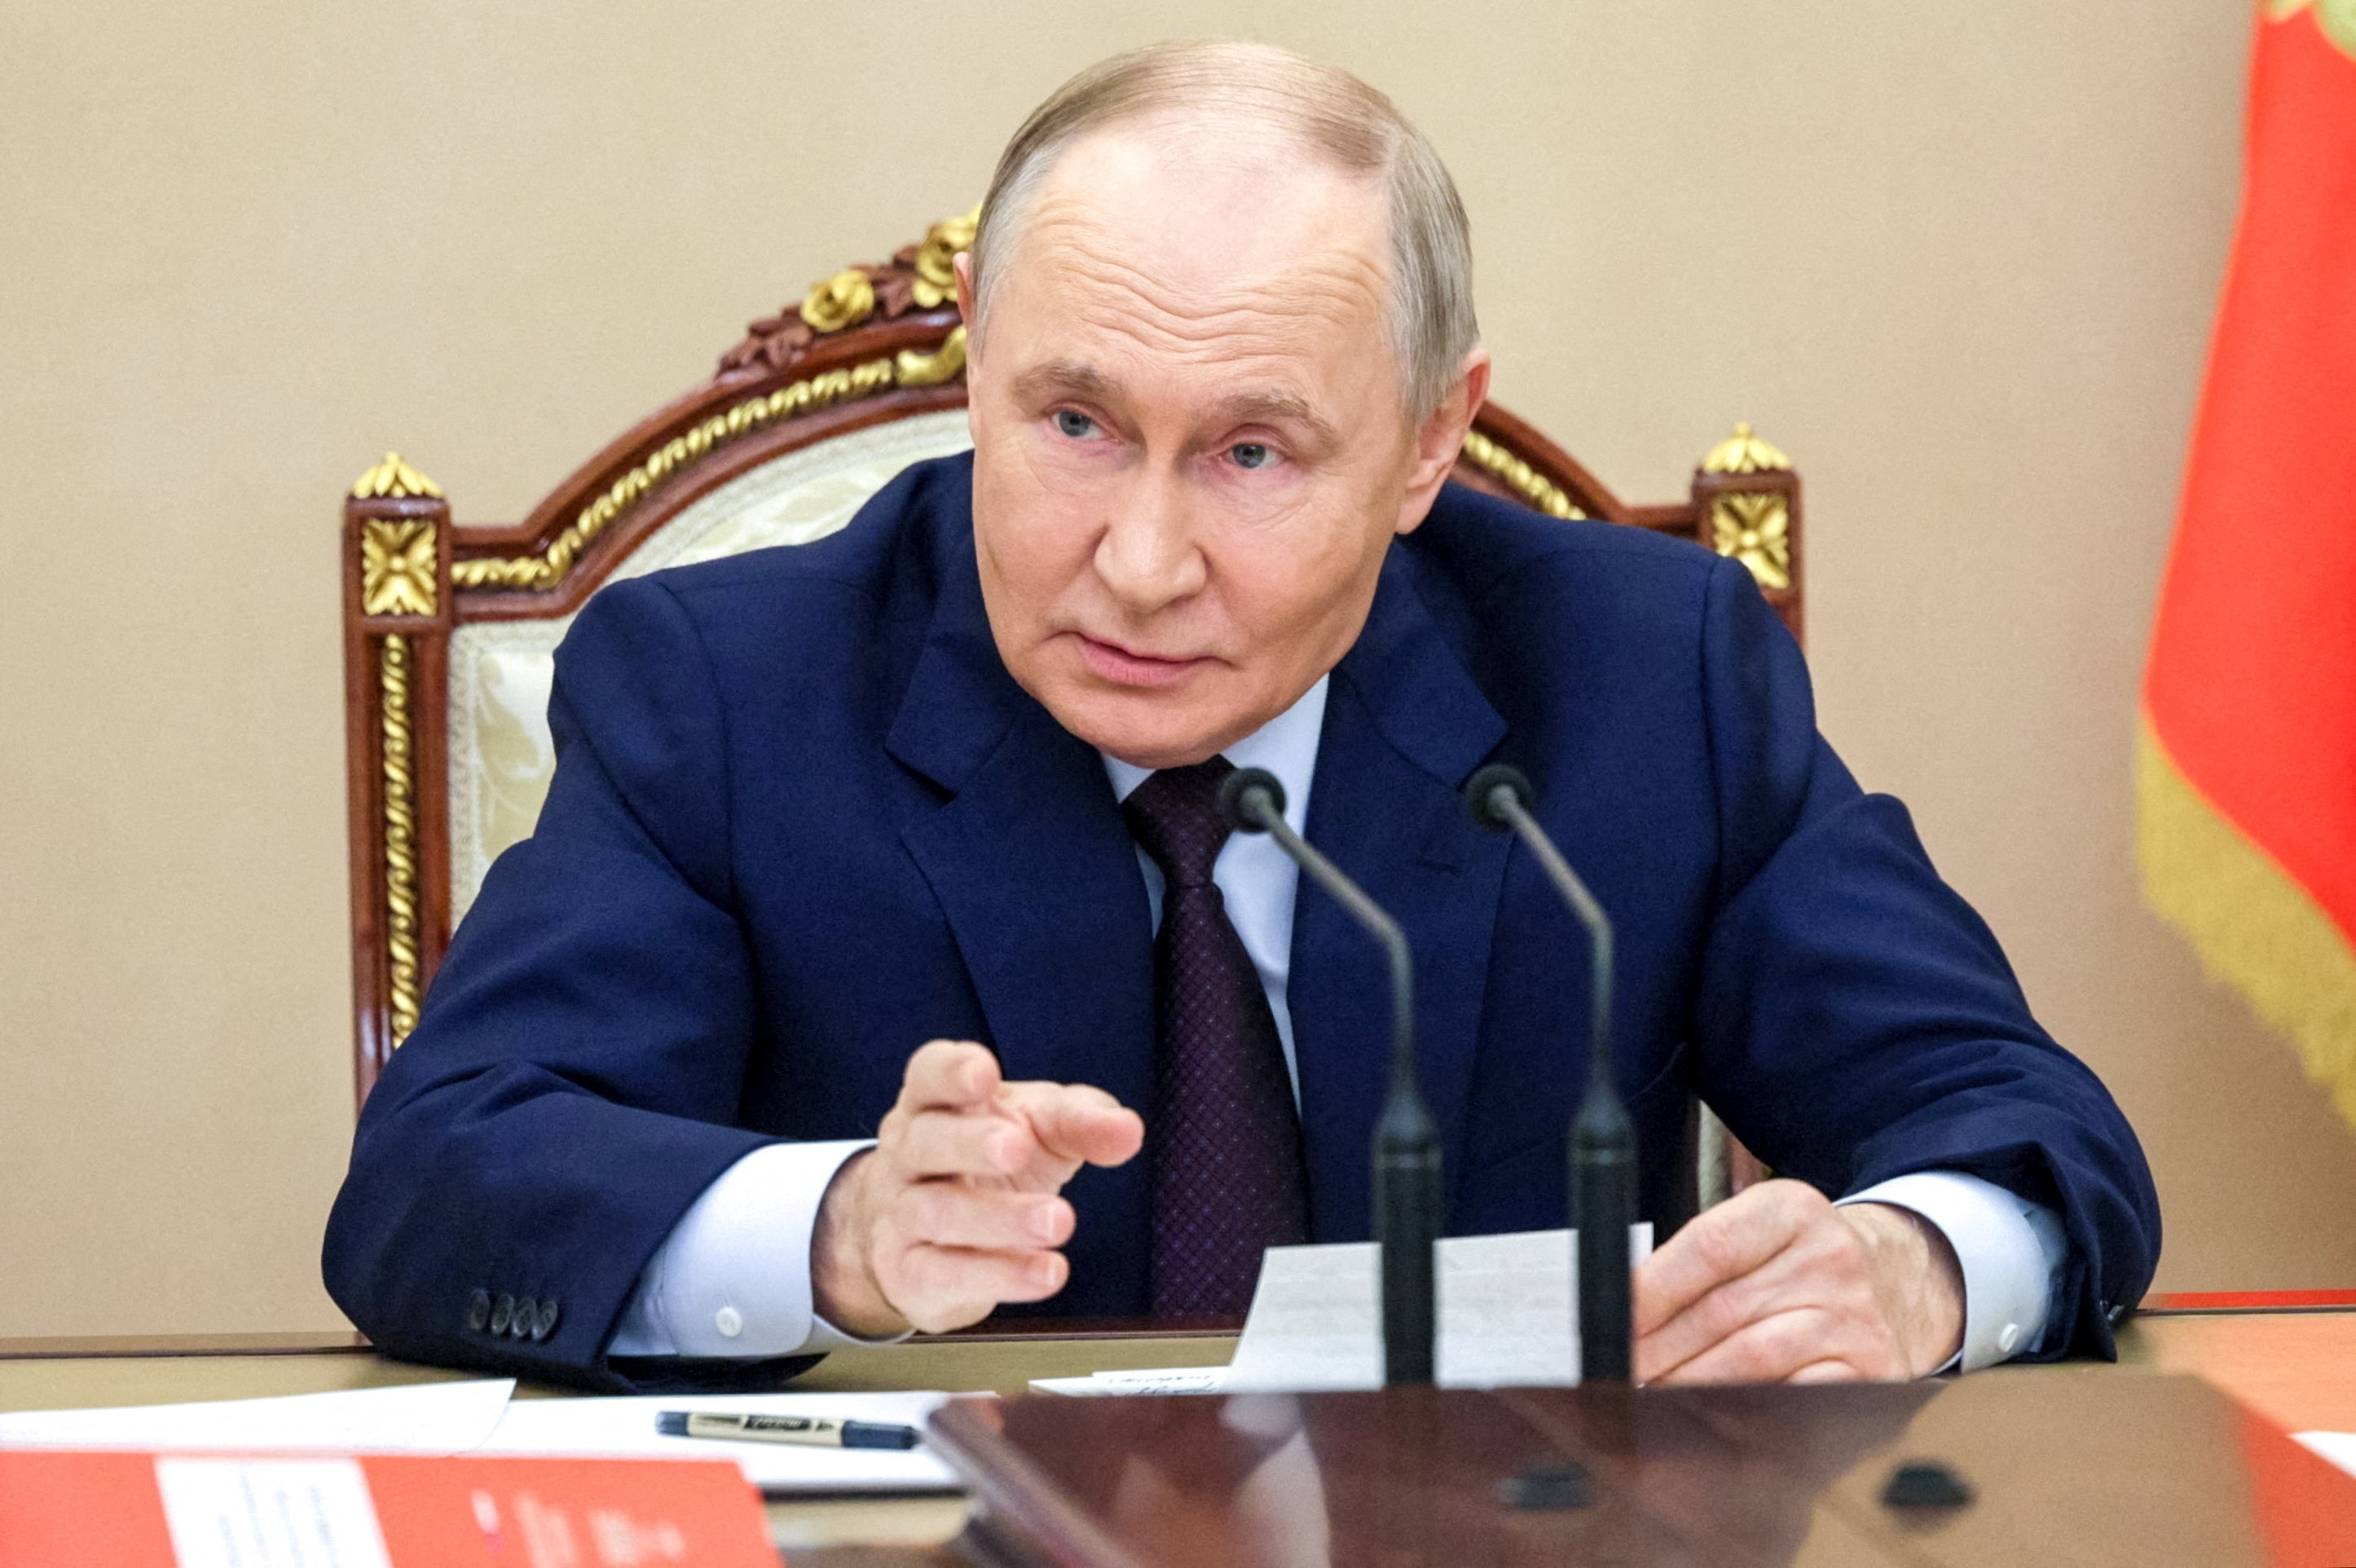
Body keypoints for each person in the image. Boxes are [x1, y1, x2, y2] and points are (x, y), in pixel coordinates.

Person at [324, 41, 2159, 1391]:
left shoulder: (1641, 674)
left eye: (1254, 452)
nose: (1137, 559)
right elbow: (434, 1181)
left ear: (1433, 435)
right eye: (1073, 424)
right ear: (976, 359)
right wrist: (835, 1228)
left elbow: (2018, 1120)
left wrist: (1915, 1266)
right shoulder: (723, 690)